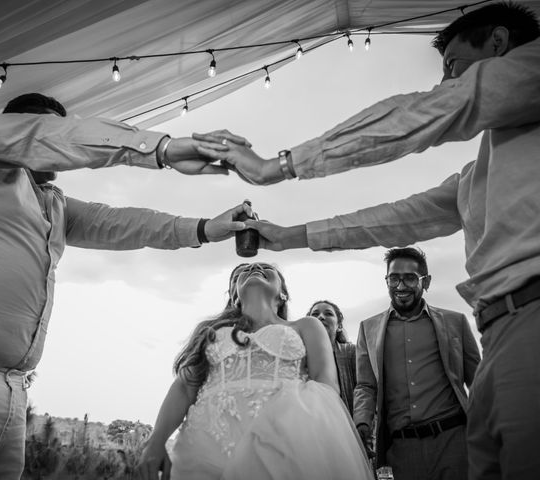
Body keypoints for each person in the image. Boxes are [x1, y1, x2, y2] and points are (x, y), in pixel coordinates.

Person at [197, 3, 540, 477]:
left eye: (455, 68)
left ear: (499, 44)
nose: (446, 83)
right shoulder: (473, 176)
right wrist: (289, 237)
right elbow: (390, 220)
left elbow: (435, 109)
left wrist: (276, 166)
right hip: (498, 331)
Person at [0, 92, 251, 480]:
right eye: (48, 128)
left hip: (11, 397)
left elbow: (123, 223)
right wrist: (163, 149)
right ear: (10, 127)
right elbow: (46, 137)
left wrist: (204, 228)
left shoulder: (55, 204)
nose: (58, 144)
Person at [138, 262, 374, 480]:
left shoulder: (305, 326)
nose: (255, 267)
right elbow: (184, 386)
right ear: (234, 296)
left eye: (265, 267)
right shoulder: (210, 331)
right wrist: (156, 440)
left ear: (283, 295)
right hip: (206, 445)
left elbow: (326, 385)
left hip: (282, 444)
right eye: (246, 270)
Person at [355, 247, 480, 480]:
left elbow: (479, 383)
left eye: (410, 278)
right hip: (402, 450)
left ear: (426, 281)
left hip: (454, 442)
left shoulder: (456, 322)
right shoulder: (367, 329)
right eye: (394, 278)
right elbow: (365, 385)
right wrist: (361, 421)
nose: (401, 286)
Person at [307, 299, 356, 416]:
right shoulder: (300, 355)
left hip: (347, 420)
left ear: (339, 326)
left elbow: (364, 389)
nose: (321, 317)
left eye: (328, 313)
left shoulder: (351, 352)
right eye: (315, 314)